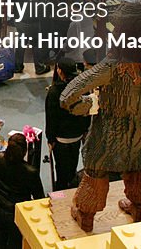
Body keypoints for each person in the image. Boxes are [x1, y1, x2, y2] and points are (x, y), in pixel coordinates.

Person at [62, 3, 141, 231]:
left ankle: (86, 215)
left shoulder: (111, 67)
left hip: (108, 133)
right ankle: (138, 208)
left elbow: (68, 97)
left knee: (96, 173)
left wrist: (89, 106)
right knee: (140, 172)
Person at [0, 132, 46, 249]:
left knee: (1, 233)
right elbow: (39, 198)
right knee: (15, 241)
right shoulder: (31, 172)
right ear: (24, 152)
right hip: (17, 213)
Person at [46, 63, 91, 191]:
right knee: (73, 164)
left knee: (61, 170)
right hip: (77, 135)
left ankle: (62, 192)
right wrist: (85, 130)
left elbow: (51, 117)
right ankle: (71, 186)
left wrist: (50, 138)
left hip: (61, 139)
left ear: (60, 71)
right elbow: (87, 110)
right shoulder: (82, 87)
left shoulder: (54, 92)